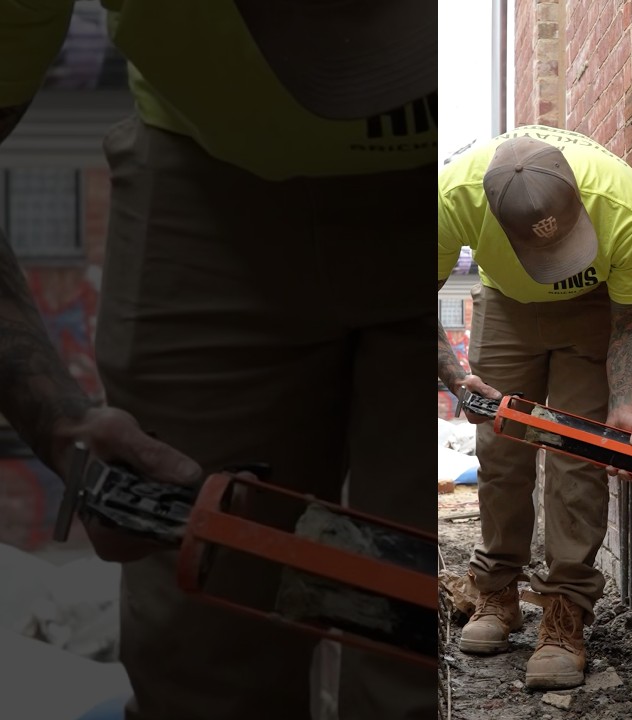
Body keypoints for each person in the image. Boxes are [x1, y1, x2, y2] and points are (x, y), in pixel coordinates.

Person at [0, 2, 435, 719]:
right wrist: (55, 418)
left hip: (438, 193)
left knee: (415, 631)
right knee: (202, 647)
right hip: (201, 174)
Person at [437, 124, 632, 690]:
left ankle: (565, 613)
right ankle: (496, 593)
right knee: (500, 446)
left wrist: (624, 403)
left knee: (577, 453)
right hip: (506, 306)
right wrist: (458, 377)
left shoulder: (623, 205)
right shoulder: (453, 196)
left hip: (593, 308)